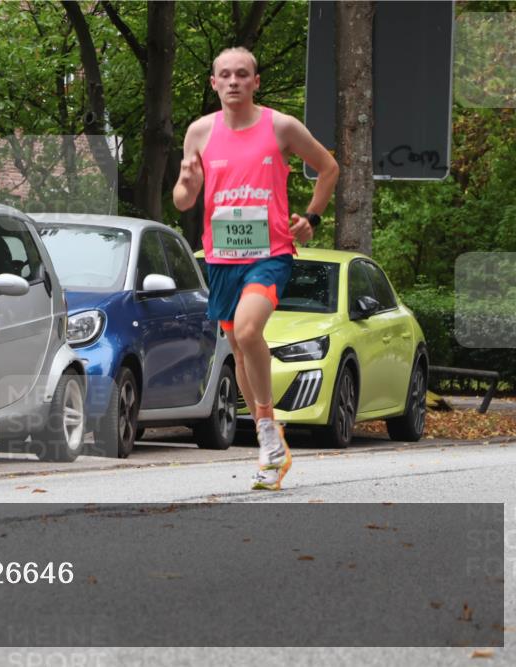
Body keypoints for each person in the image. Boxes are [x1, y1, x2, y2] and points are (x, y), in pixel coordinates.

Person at [173, 47, 339, 491]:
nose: (233, 82)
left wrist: (313, 216)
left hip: (271, 253)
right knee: (239, 348)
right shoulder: (199, 132)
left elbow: (328, 167)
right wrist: (188, 182)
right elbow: (183, 201)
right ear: (213, 83)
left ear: (255, 82)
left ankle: (267, 432)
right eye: (224, 75)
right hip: (221, 257)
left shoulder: (280, 126)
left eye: (241, 75)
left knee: (248, 332)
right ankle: (271, 441)